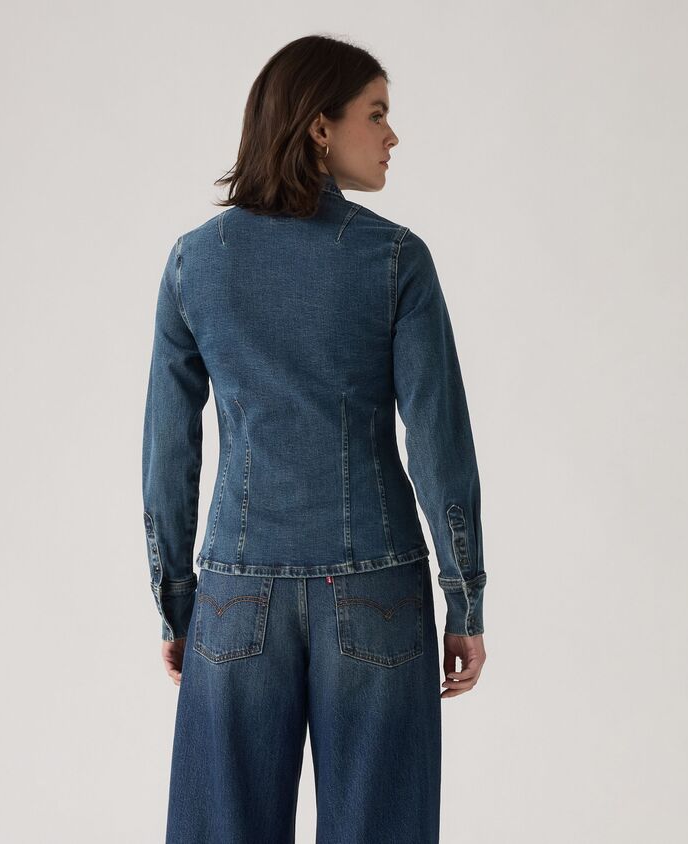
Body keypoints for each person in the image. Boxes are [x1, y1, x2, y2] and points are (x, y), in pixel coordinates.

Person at [140, 33, 488, 844]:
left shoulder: (195, 264)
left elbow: (168, 455)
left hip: (236, 599)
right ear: (320, 127)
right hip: (379, 592)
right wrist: (464, 597)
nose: (393, 135)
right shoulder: (395, 259)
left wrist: (177, 603)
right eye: (377, 114)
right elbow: (439, 445)